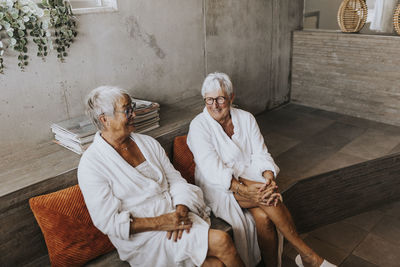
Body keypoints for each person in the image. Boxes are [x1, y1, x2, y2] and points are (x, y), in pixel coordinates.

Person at [78, 86, 244, 267]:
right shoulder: (91, 165)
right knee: (222, 241)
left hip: (175, 216)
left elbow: (176, 180)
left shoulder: (148, 143)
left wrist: (181, 209)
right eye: (127, 110)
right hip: (143, 237)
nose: (134, 114)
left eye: (132, 107)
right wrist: (160, 223)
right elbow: (108, 222)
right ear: (105, 119)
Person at [187, 73, 336, 267]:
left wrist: (269, 178)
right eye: (209, 100)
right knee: (267, 196)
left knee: (265, 217)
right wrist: (245, 188)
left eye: (220, 98)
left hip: (252, 178)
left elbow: (261, 154)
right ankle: (308, 256)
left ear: (231, 98)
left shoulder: (246, 118)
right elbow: (212, 170)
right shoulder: (199, 126)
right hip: (218, 185)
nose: (215, 105)